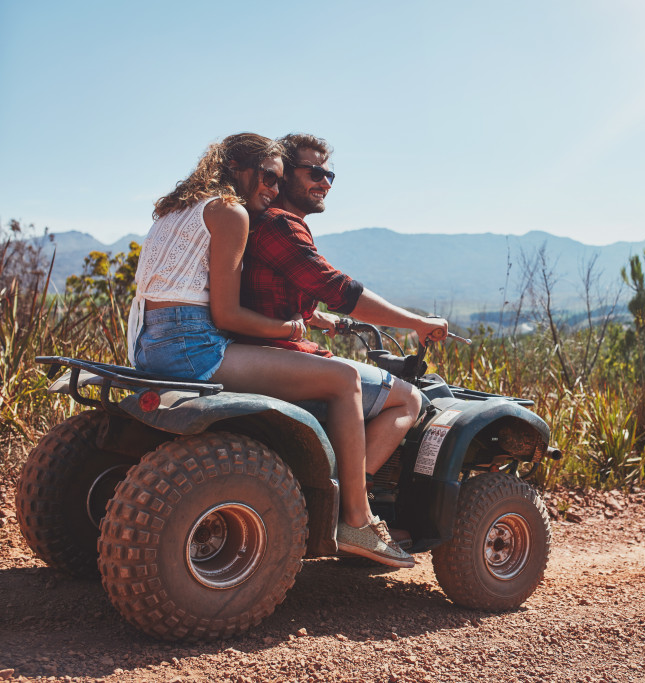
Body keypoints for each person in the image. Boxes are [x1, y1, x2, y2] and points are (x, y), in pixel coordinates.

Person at [128, 132, 416, 568]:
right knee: (345, 379)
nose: (271, 189)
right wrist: (289, 326)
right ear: (236, 170)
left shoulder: (173, 210)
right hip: (193, 349)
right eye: (266, 177)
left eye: (277, 181)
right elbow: (226, 316)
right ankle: (356, 518)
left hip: (147, 345)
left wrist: (310, 319)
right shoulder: (231, 213)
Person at [237, 133, 448, 495]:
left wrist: (315, 317)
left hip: (262, 349)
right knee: (408, 398)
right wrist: (417, 322)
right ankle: (351, 503)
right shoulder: (280, 224)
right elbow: (339, 289)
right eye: (314, 172)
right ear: (285, 174)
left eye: (329, 176)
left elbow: (270, 291)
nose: (324, 182)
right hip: (278, 354)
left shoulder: (265, 222)